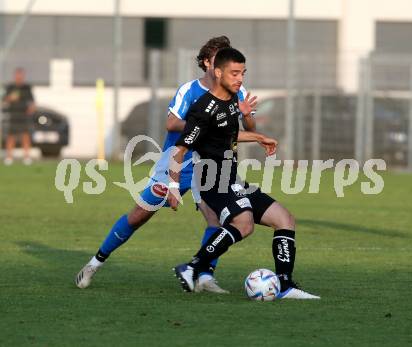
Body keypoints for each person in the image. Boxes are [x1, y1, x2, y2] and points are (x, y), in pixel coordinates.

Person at [75, 36, 257, 293]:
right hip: (177, 161)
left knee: (216, 218)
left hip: (211, 164)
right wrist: (206, 123)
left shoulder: (238, 92)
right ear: (207, 63)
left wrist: (247, 120)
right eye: (219, 61)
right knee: (140, 215)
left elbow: (244, 127)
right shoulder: (189, 90)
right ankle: (95, 263)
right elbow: (171, 123)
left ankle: (204, 276)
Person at [169, 47, 320, 299]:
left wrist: (258, 136)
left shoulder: (231, 101)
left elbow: (228, 134)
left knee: (285, 220)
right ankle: (193, 266)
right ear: (218, 72)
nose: (240, 78)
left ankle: (285, 285)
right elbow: (179, 150)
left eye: (243, 73)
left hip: (231, 178)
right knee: (244, 224)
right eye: (234, 73)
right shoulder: (202, 109)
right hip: (212, 181)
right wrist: (173, 188)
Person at [2, 68, 36, 165]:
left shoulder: (27, 87)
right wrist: (10, 98)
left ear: (23, 76)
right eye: (17, 75)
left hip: (24, 115)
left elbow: (32, 101)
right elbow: (4, 99)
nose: (19, 77)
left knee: (25, 135)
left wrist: (32, 108)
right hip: (13, 114)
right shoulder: (10, 87)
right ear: (15, 76)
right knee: (11, 136)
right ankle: (9, 157)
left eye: (21, 75)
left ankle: (26, 157)